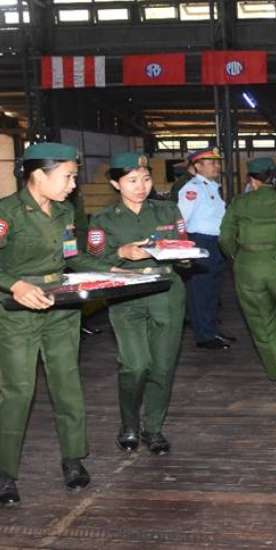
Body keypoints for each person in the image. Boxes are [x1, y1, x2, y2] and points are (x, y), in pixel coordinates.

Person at [0, 142, 112, 506]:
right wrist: (15, 285)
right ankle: (5, 471)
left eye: (74, 177)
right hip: (17, 310)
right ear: (38, 174)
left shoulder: (65, 211)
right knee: (18, 390)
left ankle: (73, 458)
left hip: (61, 307)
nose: (73, 185)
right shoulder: (7, 213)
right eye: (68, 177)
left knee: (67, 382)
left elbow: (72, 256)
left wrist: (114, 270)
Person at [86, 152, 187, 456]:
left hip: (166, 291)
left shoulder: (168, 210)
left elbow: (183, 246)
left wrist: (184, 254)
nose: (141, 187)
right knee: (135, 365)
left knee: (162, 366)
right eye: (132, 181)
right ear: (116, 183)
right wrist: (122, 252)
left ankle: (153, 428)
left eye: (145, 179)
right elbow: (92, 260)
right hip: (126, 294)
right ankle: (129, 423)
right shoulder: (103, 219)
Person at [219, 158, 276, 395]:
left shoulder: (239, 203)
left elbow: (225, 238)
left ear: (252, 180)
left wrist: (239, 257)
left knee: (263, 322)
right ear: (273, 178)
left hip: (248, 266)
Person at [177, 147, 233, 350]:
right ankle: (204, 335)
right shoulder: (192, 189)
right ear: (198, 166)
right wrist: (184, 248)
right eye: (211, 163)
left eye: (217, 162)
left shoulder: (212, 187)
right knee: (201, 290)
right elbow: (181, 221)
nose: (217, 166)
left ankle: (212, 329)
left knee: (213, 290)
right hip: (200, 242)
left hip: (215, 242)